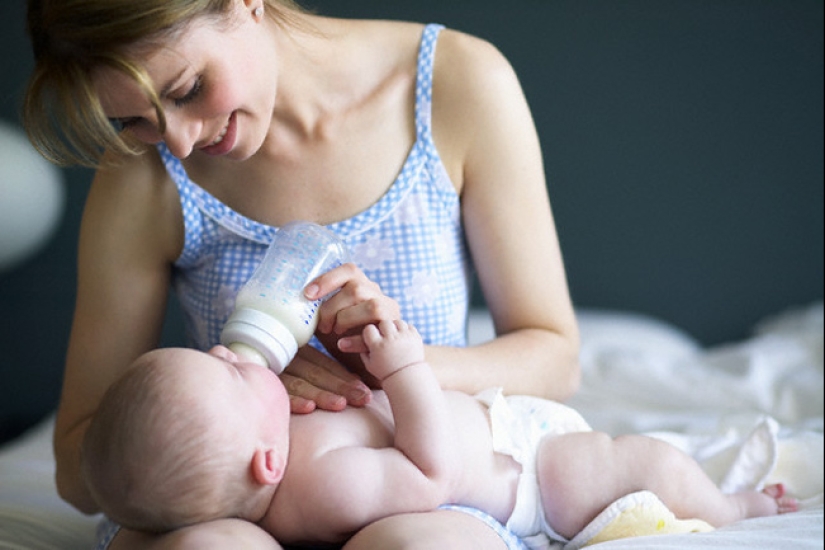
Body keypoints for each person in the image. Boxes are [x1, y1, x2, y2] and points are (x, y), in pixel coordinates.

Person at [24, 1, 581, 549]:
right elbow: (77, 473)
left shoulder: (455, 85)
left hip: (416, 491)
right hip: (234, 512)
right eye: (134, 120)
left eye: (187, 89)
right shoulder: (144, 173)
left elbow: (556, 359)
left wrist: (390, 368)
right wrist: (222, 405)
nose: (178, 142)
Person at [82, 319, 798, 549]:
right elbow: (431, 473)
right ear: (266, 462)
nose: (229, 354)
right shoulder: (320, 481)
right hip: (526, 472)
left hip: (502, 427)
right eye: (233, 378)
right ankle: (734, 509)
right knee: (642, 461)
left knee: (643, 456)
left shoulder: (270, 460)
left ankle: (726, 500)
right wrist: (404, 372)